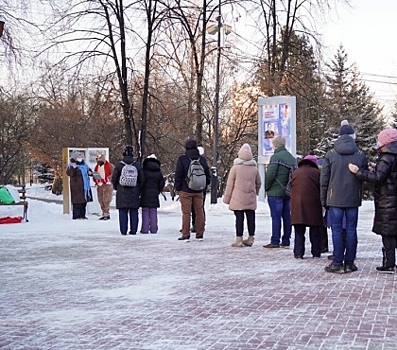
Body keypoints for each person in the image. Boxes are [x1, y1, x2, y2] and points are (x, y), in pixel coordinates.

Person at [321, 120, 368, 274]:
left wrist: (324, 200)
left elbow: (324, 180)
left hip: (335, 199)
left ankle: (337, 262)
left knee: (336, 231)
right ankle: (350, 262)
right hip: (353, 198)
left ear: (339, 136)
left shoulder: (330, 154)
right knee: (351, 230)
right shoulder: (360, 154)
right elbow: (365, 176)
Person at [349, 128, 397, 274]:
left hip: (388, 200)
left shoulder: (387, 156)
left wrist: (358, 172)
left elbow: (378, 178)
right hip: (394, 197)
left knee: (388, 233)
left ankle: (389, 263)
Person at [223, 143, 262, 247]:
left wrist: (227, 199)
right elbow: (259, 183)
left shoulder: (235, 168)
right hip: (250, 197)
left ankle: (239, 240)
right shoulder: (254, 168)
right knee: (251, 218)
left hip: (237, 199)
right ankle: (251, 238)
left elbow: (230, 185)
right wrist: (255, 192)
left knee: (239, 219)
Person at [263, 136, 297, 249]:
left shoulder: (275, 157)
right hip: (288, 192)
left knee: (276, 217)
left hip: (275, 192)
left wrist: (267, 187)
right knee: (287, 216)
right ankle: (286, 240)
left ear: (276, 145)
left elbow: (270, 175)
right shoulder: (292, 158)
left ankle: (275, 241)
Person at [174, 139, 211, 241]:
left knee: (186, 213)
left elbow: (178, 175)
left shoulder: (182, 159)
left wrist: (178, 188)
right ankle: (200, 233)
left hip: (185, 190)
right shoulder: (202, 159)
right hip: (199, 191)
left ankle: (185, 234)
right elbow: (208, 175)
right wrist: (204, 186)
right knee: (199, 212)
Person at [290, 155, 323, 259]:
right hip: (314, 204)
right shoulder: (317, 173)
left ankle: (298, 252)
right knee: (315, 231)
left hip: (297, 205)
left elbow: (288, 187)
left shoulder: (295, 172)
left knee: (299, 231)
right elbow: (322, 188)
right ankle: (316, 252)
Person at [111, 145, 144, 235]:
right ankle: (133, 230)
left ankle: (123, 230)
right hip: (134, 191)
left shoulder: (119, 165)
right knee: (134, 211)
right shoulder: (137, 165)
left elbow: (114, 178)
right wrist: (138, 189)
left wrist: (117, 187)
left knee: (123, 212)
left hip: (122, 191)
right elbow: (142, 179)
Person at [139, 154, 165, 234]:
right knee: (153, 211)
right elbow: (162, 183)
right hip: (154, 193)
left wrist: (140, 190)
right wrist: (158, 190)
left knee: (145, 211)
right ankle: (154, 229)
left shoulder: (144, 170)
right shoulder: (158, 172)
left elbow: (141, 181)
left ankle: (145, 229)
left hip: (145, 193)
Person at [66, 151, 93, 220]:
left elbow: (90, 171)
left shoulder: (84, 165)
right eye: (78, 157)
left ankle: (82, 215)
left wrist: (91, 173)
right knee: (77, 202)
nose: (80, 158)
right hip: (76, 187)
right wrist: (73, 168)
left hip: (85, 187)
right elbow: (69, 173)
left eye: (81, 157)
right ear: (74, 158)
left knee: (84, 202)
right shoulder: (71, 165)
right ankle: (76, 215)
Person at [190, 146, 207, 233]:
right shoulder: (204, 161)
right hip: (202, 188)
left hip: (193, 187)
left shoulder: (191, 161)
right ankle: (201, 225)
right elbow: (207, 175)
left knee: (193, 208)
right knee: (200, 208)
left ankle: (195, 225)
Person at [93, 153, 114, 220]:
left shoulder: (110, 166)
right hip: (100, 185)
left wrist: (107, 179)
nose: (98, 160)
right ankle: (103, 212)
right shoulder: (96, 167)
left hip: (107, 184)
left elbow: (113, 174)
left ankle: (106, 213)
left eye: (99, 158)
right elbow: (95, 175)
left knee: (106, 199)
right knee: (101, 200)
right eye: (97, 159)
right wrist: (97, 180)